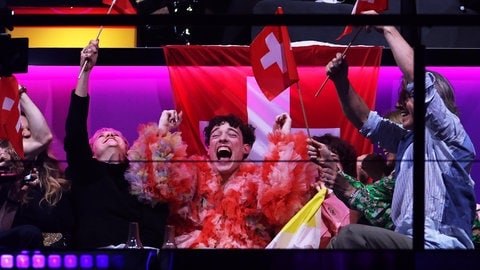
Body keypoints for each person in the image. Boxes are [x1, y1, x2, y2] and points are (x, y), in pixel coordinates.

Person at [310, 12, 476, 249]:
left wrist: (388, 27)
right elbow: (365, 120)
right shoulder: (406, 142)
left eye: (406, 98)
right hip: (409, 245)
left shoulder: (450, 136)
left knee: (349, 238)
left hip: (440, 248)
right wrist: (341, 81)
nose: (399, 105)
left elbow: (419, 82)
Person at [125, 111, 319, 248]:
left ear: (245, 148)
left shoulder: (258, 178)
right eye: (216, 136)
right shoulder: (192, 173)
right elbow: (158, 187)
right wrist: (164, 131)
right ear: (209, 148)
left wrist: (282, 137)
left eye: (232, 135)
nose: (223, 139)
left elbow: (281, 208)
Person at [64, 40, 169, 249]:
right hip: (95, 258)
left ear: (128, 148)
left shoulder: (141, 178)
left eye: (116, 134)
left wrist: (164, 131)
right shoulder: (85, 172)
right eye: (101, 135)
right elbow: (75, 130)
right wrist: (85, 71)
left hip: (140, 257)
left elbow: (161, 182)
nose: (110, 134)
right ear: (91, 152)